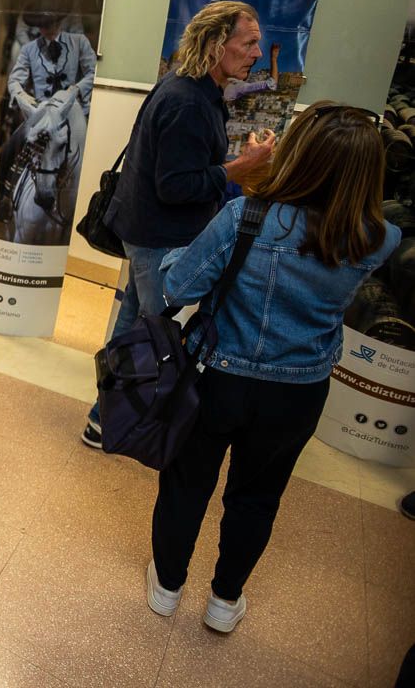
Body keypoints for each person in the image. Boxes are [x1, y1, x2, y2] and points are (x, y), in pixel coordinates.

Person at [146, 103, 398, 634]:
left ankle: (167, 587)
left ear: (302, 154)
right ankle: (223, 601)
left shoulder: (248, 217)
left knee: (187, 483)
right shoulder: (379, 238)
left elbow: (176, 287)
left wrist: (180, 255)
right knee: (258, 497)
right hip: (300, 390)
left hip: (219, 376)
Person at [84, 0, 276, 447]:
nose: (256, 54)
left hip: (145, 230)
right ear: (215, 44)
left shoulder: (190, 88)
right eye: (248, 44)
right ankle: (124, 421)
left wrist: (232, 164)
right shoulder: (187, 101)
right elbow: (176, 186)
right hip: (157, 238)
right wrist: (240, 168)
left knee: (135, 323)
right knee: (155, 335)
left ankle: (105, 418)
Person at [0, 11, 98, 219]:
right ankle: (4, 201)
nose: (45, 30)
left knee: (88, 154)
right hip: (41, 113)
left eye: (49, 25)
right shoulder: (29, 49)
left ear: (59, 23)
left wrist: (76, 89)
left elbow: (92, 71)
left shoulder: (79, 42)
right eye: (41, 26)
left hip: (73, 112)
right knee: (7, 150)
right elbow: (15, 80)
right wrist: (22, 96)